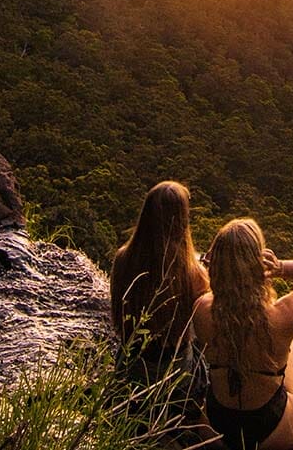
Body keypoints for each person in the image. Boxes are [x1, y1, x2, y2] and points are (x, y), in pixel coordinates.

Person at [193, 218, 293, 450]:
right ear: (258, 262)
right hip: (271, 431)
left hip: (216, 429)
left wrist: (219, 266)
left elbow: (223, 300)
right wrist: (279, 267)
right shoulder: (280, 317)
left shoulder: (202, 309)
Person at [110, 180, 210, 422]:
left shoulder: (123, 259)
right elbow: (205, 325)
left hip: (131, 369)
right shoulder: (193, 273)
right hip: (175, 376)